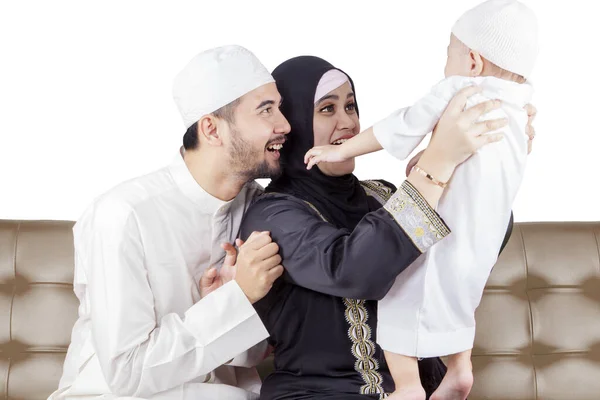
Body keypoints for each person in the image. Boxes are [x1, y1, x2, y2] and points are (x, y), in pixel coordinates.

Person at [238, 55, 529, 400]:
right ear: (294, 123)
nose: (348, 123)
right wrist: (436, 165)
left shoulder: (382, 194)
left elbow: (476, 241)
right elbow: (354, 270)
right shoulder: (273, 214)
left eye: (351, 106)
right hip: (321, 392)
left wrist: (487, 161)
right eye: (327, 109)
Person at [303, 1, 539, 399]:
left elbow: (402, 123)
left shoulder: (461, 88)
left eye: (449, 53)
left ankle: (408, 387)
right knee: (459, 297)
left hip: (443, 225)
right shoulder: (519, 106)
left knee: (401, 287)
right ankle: (460, 369)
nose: (347, 121)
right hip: (485, 232)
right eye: (327, 108)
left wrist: (340, 151)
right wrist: (432, 158)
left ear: (474, 62)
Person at [49, 45, 291, 400]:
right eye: (265, 110)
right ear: (211, 129)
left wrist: (226, 303)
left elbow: (249, 356)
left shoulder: (261, 208)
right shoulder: (123, 215)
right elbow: (127, 373)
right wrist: (236, 299)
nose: (284, 125)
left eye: (279, 108)